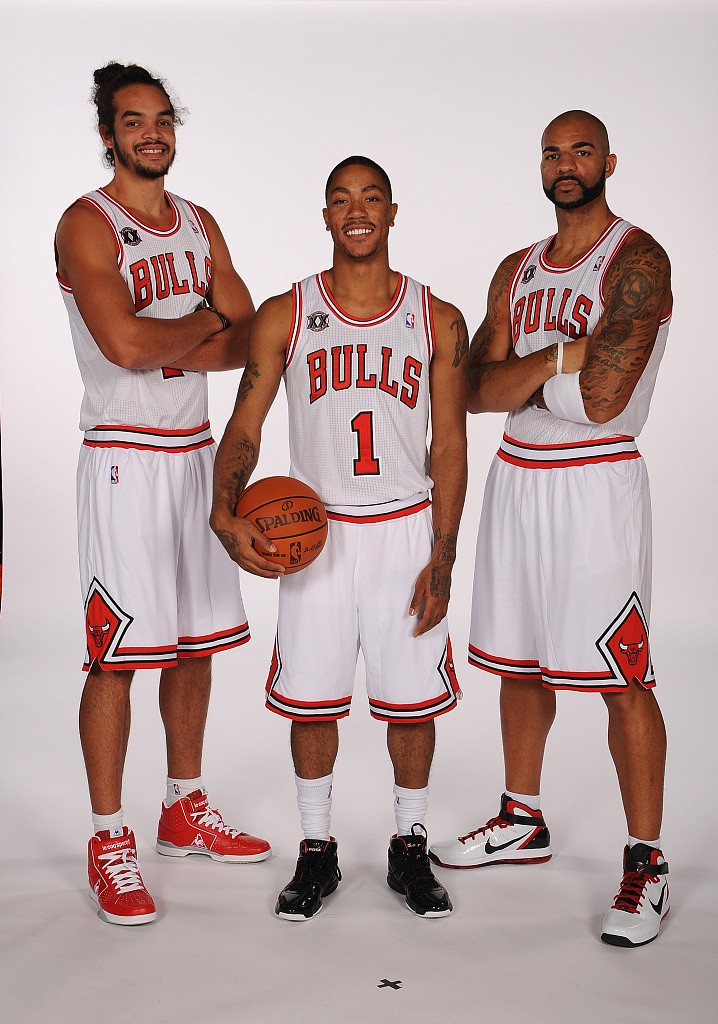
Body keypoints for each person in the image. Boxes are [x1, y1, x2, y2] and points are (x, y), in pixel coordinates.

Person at [429, 111, 672, 947]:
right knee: (520, 662)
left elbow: (604, 399)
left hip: (597, 485)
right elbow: (471, 391)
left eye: (581, 151)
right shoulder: (517, 269)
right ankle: (522, 818)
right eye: (552, 153)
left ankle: (647, 861)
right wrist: (561, 357)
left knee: (620, 676)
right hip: (518, 479)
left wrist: (527, 378)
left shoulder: (637, 259)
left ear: (609, 161)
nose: (566, 165)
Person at [211, 156, 468, 920]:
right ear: (325, 215)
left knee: (411, 705)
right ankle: (316, 848)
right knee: (312, 703)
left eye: (371, 198)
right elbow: (245, 426)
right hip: (314, 533)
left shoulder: (437, 317)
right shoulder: (285, 314)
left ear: (393, 212)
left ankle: (409, 845)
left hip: (403, 529)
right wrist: (225, 511)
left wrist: (443, 556)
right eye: (341, 200)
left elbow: (451, 446)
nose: (357, 211)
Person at [55, 63, 271, 927]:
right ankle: (109, 838)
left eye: (162, 119)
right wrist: (203, 324)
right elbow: (125, 346)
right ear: (108, 134)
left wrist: (178, 335)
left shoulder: (199, 223)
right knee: (116, 657)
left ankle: (184, 807)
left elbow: (252, 339)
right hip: (123, 460)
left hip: (194, 453)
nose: (152, 133)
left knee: (193, 644)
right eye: (133, 120)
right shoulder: (87, 222)